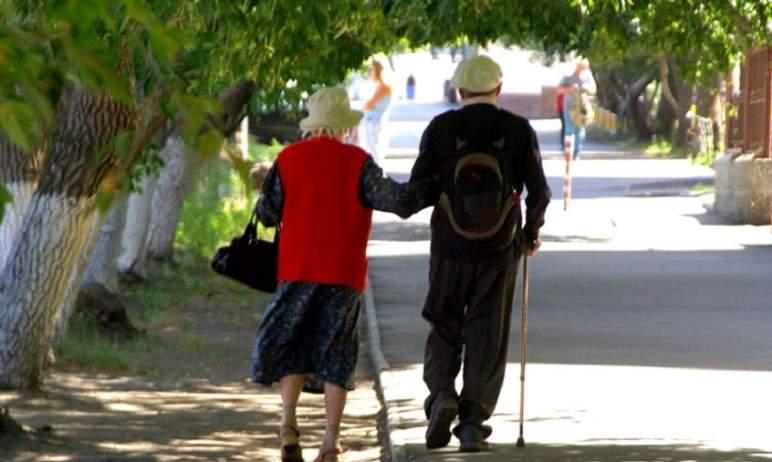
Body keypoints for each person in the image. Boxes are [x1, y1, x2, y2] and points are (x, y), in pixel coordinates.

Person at [251, 86, 429, 462]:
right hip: (342, 273)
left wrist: (265, 183)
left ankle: (287, 425)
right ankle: (330, 443)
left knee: (292, 345)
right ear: (344, 126)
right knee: (337, 352)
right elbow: (399, 202)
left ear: (312, 126)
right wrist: (431, 183)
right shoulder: (359, 162)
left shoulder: (288, 159)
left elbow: (267, 215)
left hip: (296, 268)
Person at [408, 55, 551, 452]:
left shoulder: (441, 128)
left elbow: (418, 188)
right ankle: (471, 423)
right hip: (498, 249)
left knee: (444, 321)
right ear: (499, 90)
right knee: (488, 333)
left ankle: (441, 396)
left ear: (459, 90)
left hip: (449, 249)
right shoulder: (517, 130)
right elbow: (539, 193)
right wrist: (528, 234)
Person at [557, 58, 596, 160]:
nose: (582, 69)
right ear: (577, 66)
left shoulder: (587, 76)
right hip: (569, 107)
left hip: (582, 108)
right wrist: (570, 89)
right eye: (581, 67)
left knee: (580, 131)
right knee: (569, 130)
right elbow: (559, 90)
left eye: (584, 68)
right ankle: (568, 152)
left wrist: (587, 88)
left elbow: (594, 90)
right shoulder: (568, 75)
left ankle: (576, 153)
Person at [358, 59, 392, 165]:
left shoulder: (383, 87)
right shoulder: (380, 86)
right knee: (371, 149)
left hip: (373, 121)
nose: (369, 73)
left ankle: (377, 174)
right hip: (372, 120)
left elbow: (370, 104)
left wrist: (362, 107)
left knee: (372, 150)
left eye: (371, 70)